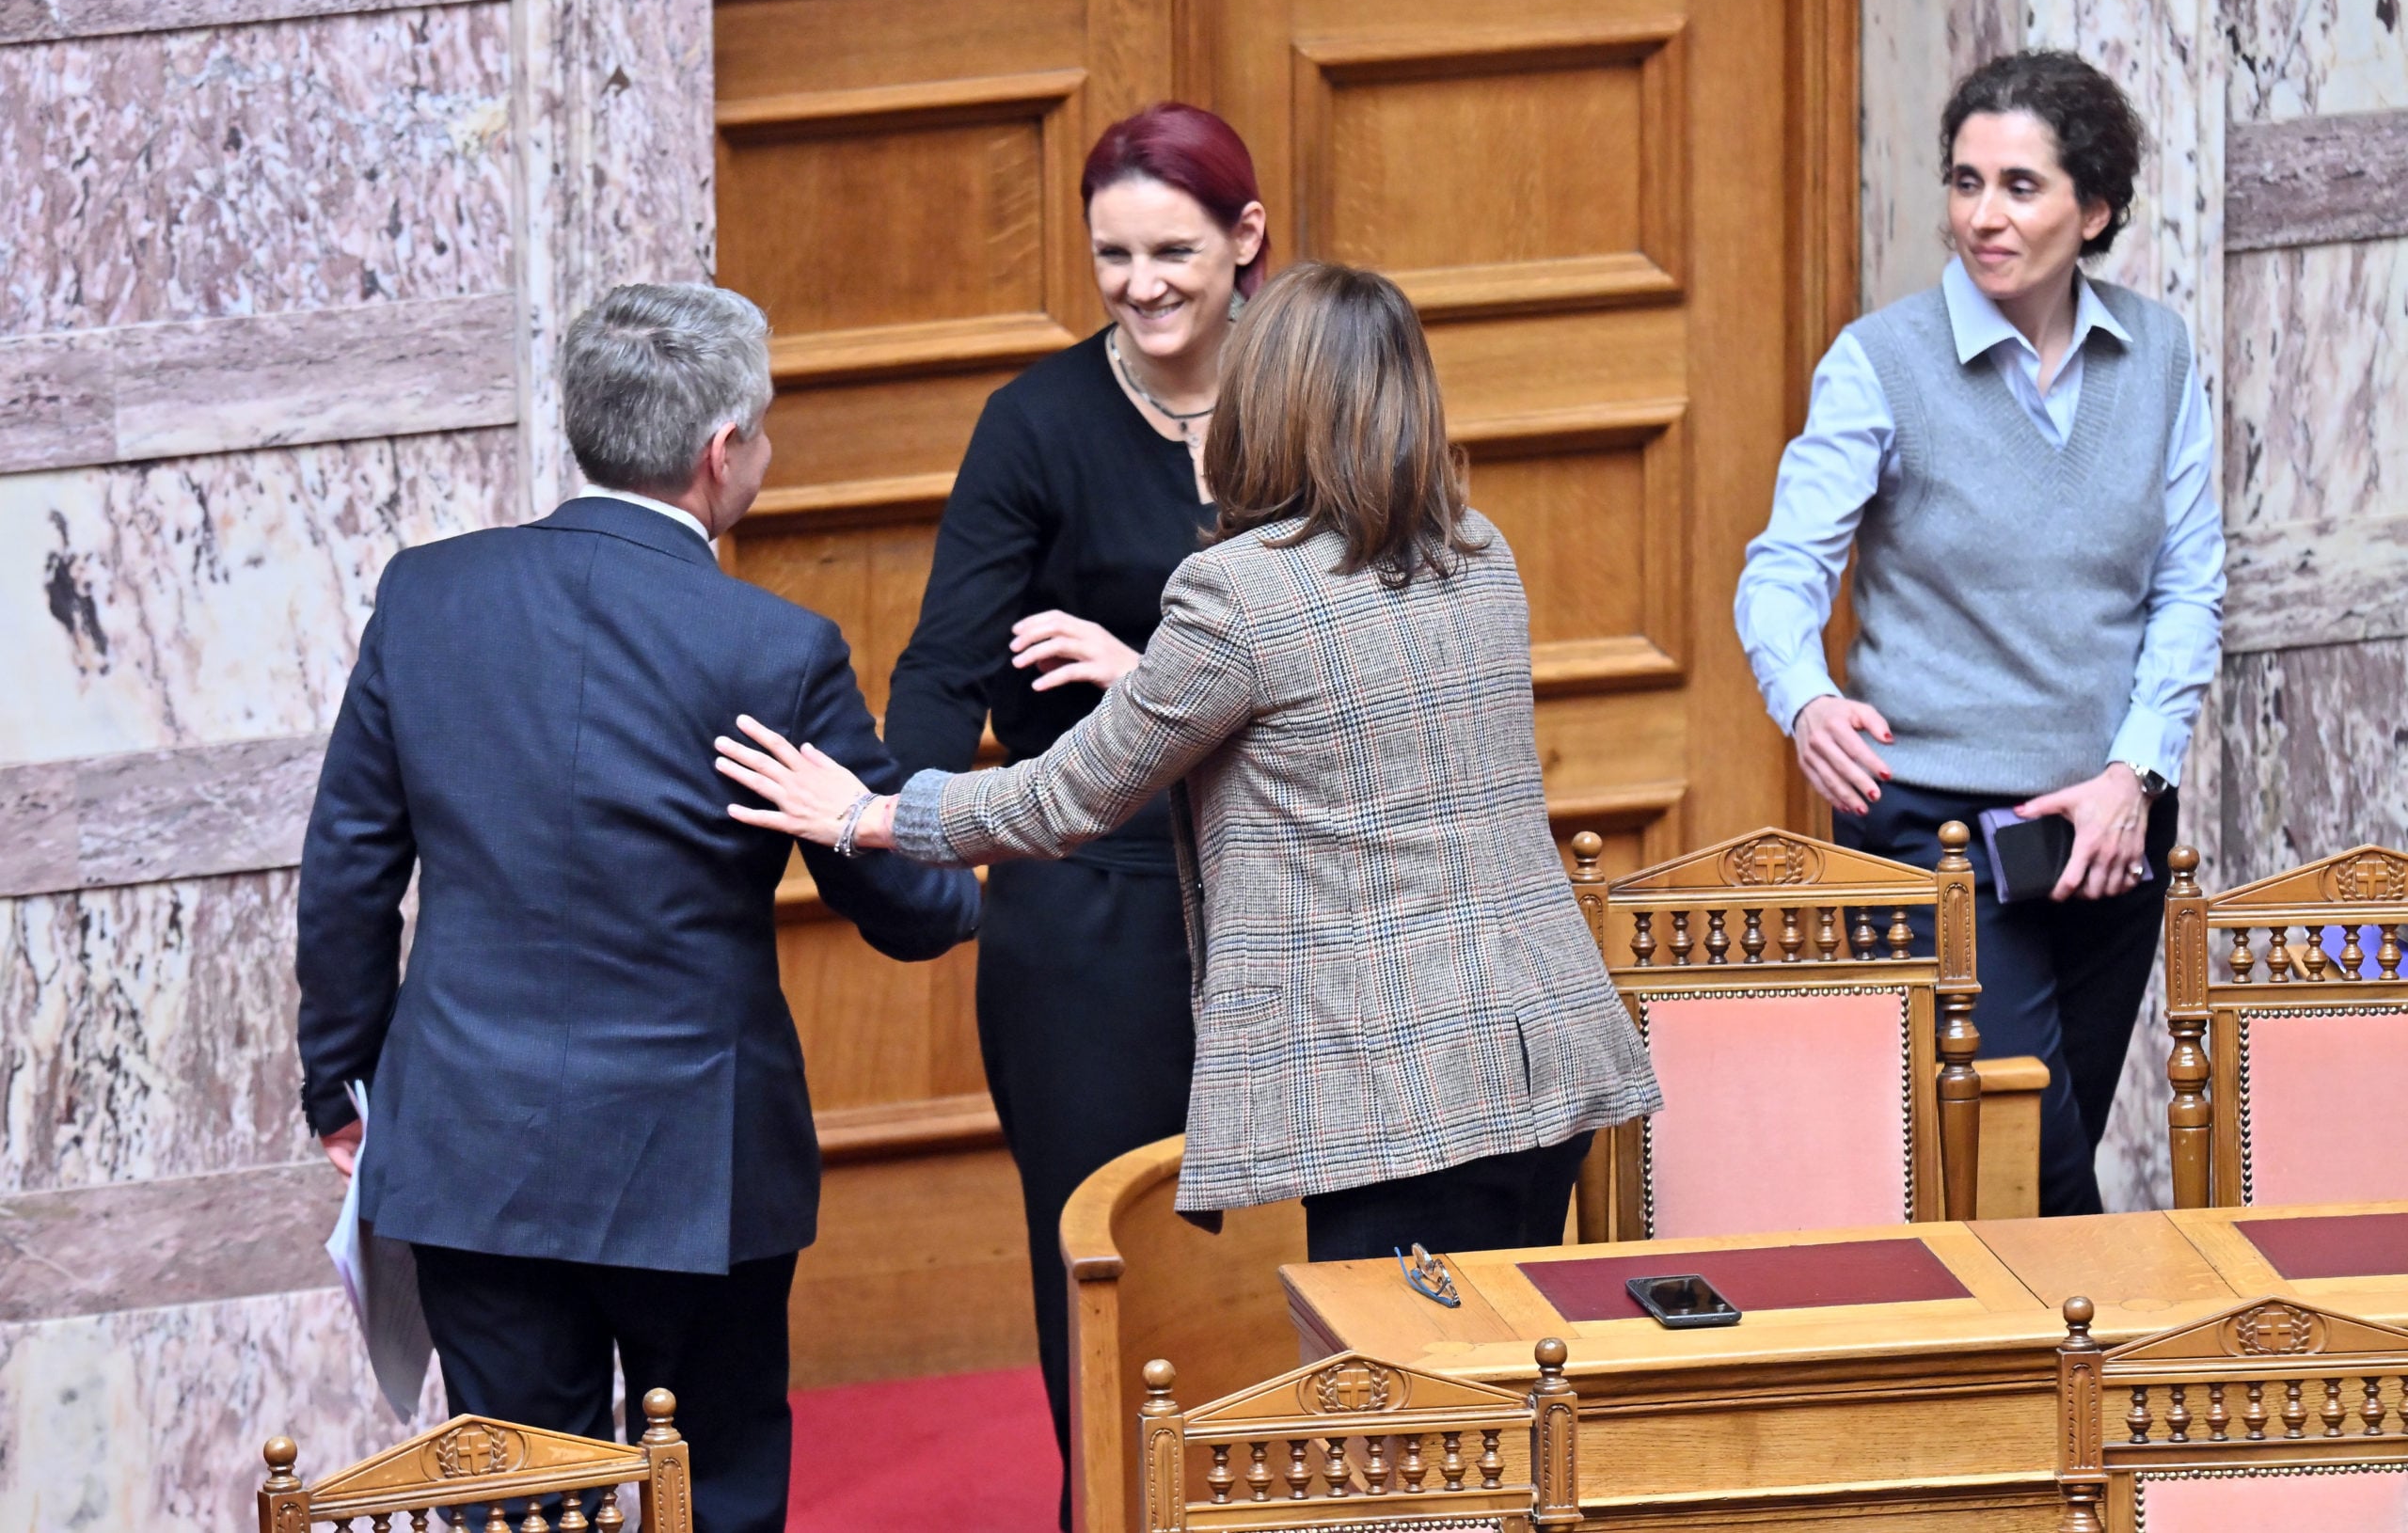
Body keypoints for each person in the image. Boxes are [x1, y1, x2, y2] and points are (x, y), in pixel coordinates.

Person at [715, 261, 1664, 1271]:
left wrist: (869, 813)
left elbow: (1066, 797)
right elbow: (1339, 714)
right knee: (1507, 1362)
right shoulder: (1476, 553)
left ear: (1264, 405)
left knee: (1394, 1374)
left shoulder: (1239, 591)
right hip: (1539, 1051)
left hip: (1399, 1091)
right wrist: (1152, 679)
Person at [294, 283, 978, 1533]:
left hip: (472, 1144)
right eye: (763, 429)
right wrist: (977, 862)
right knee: (716, 1493)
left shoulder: (429, 596)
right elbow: (906, 909)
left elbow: (349, 863)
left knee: (519, 1505)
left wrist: (338, 1082)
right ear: (722, 450)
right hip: (697, 1158)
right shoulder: (775, 649)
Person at [1734, 50, 2226, 1216]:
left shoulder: (2157, 355)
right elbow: (1782, 570)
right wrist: (1805, 697)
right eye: (1965, 182)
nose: (1982, 216)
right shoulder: (1879, 365)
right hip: (1935, 830)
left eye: (2018, 185)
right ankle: (2096, 1339)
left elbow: (2188, 589)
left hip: (2107, 827)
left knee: (2045, 1149)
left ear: (2092, 209)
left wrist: (2133, 774)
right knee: (2027, 1166)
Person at [876, 102, 1266, 1520]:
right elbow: (945, 667)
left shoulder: (1315, 391)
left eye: (1173, 252)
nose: (1140, 285)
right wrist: (895, 827)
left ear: (1246, 237)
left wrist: (1154, 672)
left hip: (1290, 888)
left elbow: (1379, 618)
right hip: (1090, 904)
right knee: (1101, 1263)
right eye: (1113, 256)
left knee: (1284, 1260)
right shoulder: (1034, 423)